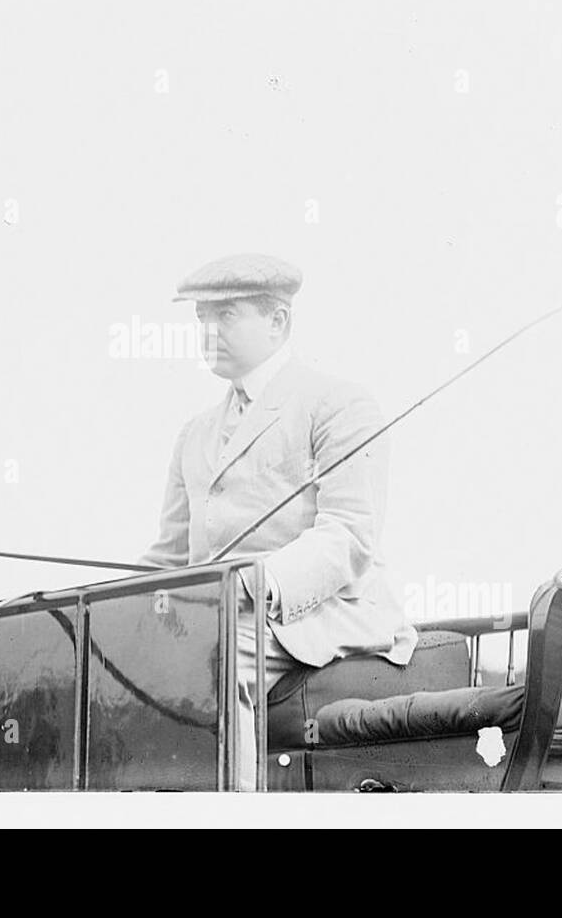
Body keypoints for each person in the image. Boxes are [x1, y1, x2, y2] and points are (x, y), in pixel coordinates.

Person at [138, 253, 418, 790]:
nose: (208, 331)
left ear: (278, 321)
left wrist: (255, 584)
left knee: (219, 650)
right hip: (224, 616)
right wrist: (99, 603)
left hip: (332, 612)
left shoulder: (337, 404)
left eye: (226, 315)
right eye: (201, 318)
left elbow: (349, 536)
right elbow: (171, 556)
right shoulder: (193, 434)